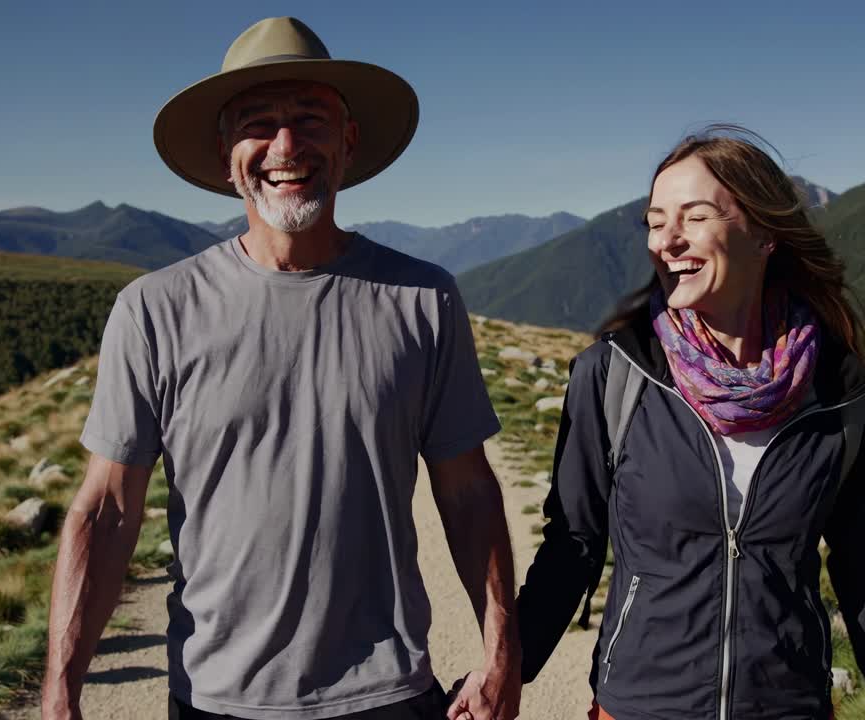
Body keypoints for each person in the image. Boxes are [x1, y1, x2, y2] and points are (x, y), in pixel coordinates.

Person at [41, 17, 521, 720]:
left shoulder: (424, 299)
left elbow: (469, 491)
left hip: (388, 696)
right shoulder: (153, 311)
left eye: (310, 119)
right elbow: (107, 510)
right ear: (226, 152)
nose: (286, 146)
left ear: (349, 140)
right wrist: (60, 687)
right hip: (214, 700)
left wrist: (501, 650)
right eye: (258, 123)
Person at [515, 126, 865, 720]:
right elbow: (572, 544)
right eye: (655, 222)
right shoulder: (615, 376)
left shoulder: (840, 392)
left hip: (789, 705)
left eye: (694, 217)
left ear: (764, 234)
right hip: (641, 706)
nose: (667, 241)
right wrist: (507, 668)